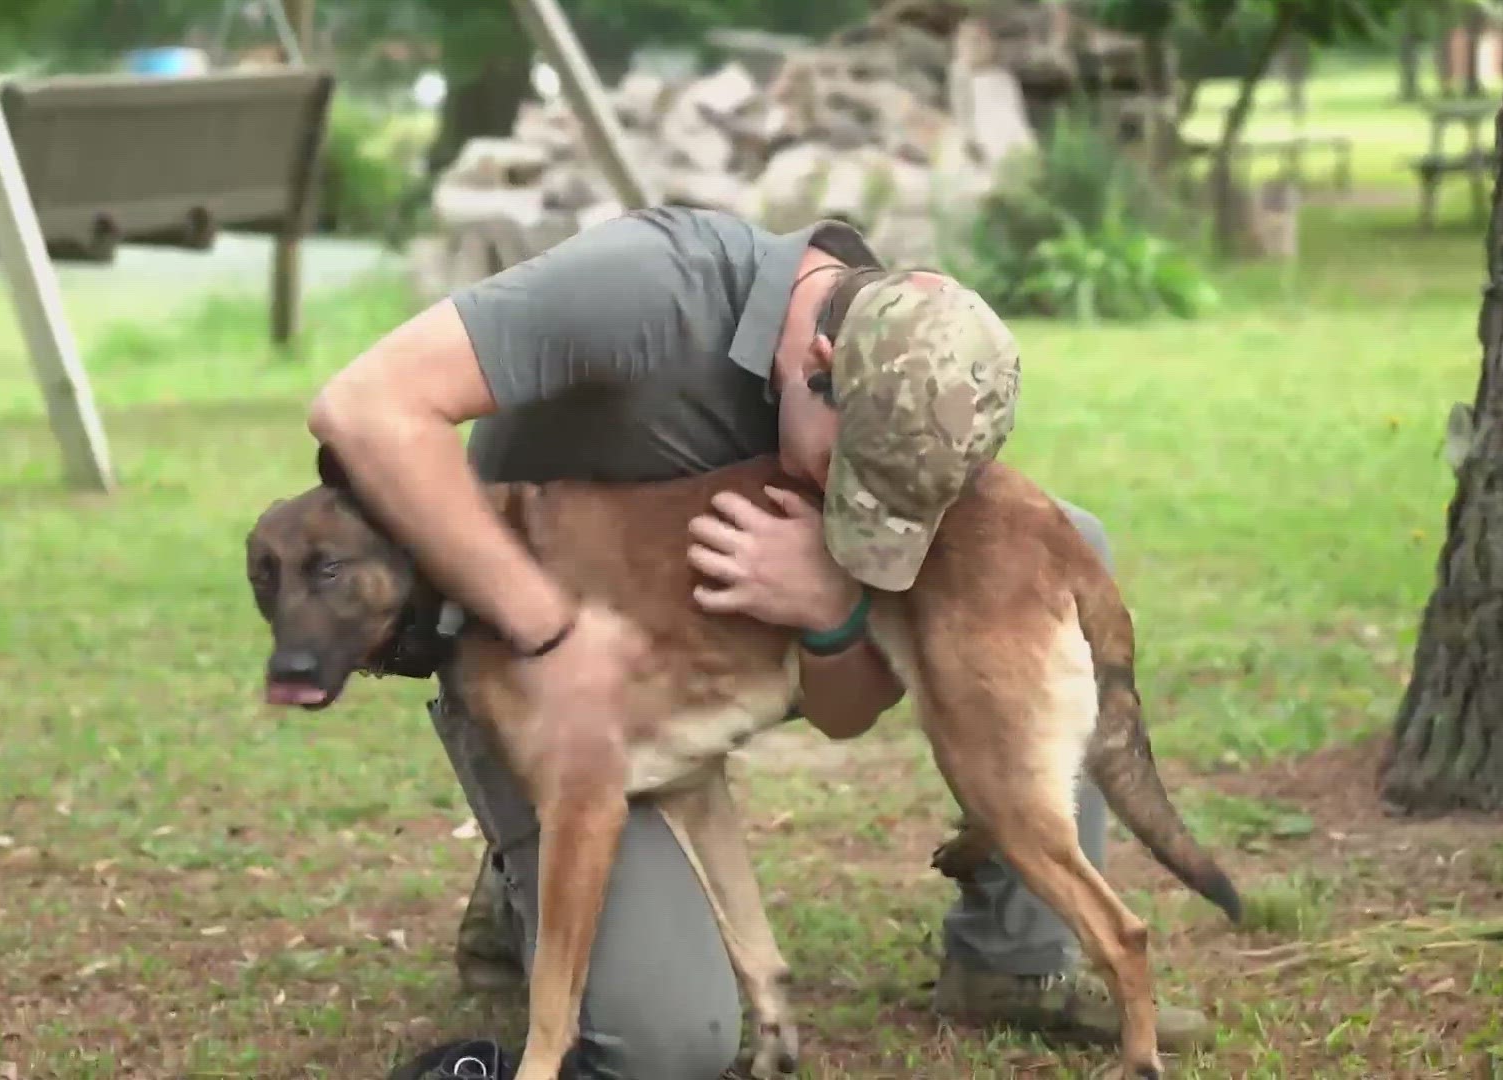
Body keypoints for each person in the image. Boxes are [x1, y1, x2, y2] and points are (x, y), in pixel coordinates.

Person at [307, 206, 1212, 1080]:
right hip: (532, 673)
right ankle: (521, 880)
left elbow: (843, 714)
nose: (857, 522)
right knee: (672, 1050)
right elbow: (361, 408)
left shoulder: (910, 367)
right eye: (841, 482)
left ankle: (1014, 957)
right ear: (819, 364)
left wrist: (833, 608)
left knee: (1065, 537)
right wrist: (547, 628)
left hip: (699, 657)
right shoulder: (643, 287)